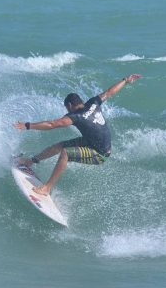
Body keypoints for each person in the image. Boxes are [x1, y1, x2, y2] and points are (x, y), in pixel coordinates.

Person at [13, 73, 141, 196]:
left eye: (67, 108)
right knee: (60, 146)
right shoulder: (93, 102)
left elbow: (52, 124)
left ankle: (47, 188)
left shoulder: (75, 116)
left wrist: (27, 125)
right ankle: (30, 162)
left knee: (65, 153)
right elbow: (109, 92)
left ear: (69, 105)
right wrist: (125, 80)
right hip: (91, 141)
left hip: (100, 153)